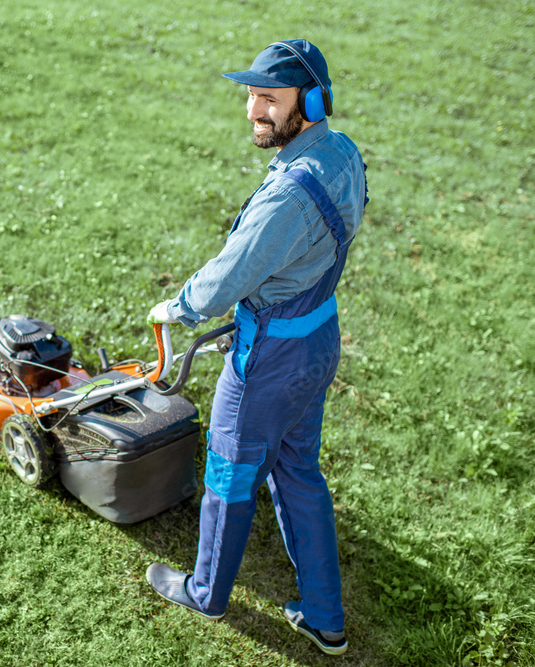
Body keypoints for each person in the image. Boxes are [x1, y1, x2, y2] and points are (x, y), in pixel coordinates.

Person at [144, 39, 367, 656]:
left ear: (312, 101)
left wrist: (176, 306)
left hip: (270, 360)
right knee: (298, 471)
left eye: (269, 98)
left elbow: (226, 280)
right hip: (318, 337)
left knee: (228, 477)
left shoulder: (288, 196)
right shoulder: (342, 154)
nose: (252, 110)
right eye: (251, 95)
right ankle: (325, 617)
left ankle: (206, 592)